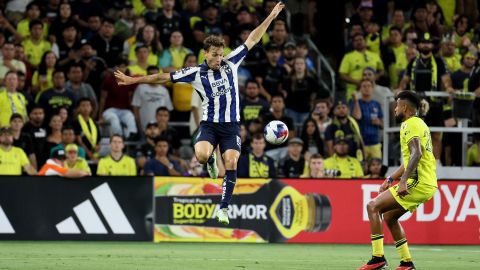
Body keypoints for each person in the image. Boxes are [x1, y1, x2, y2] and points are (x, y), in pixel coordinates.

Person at [115, 1, 286, 225]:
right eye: (214, 55)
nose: (218, 59)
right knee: (203, 156)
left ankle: (223, 208)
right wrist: (133, 80)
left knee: (232, 162)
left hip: (231, 125)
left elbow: (252, 38)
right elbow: (163, 77)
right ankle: (210, 160)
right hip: (209, 124)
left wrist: (271, 16)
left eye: (220, 54)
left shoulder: (231, 62)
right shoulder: (195, 72)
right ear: (205, 54)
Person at [358, 91, 436, 270]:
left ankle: (377, 258)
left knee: (372, 206)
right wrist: (391, 178)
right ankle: (406, 262)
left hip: (418, 182)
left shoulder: (410, 124)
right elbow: (410, 160)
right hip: (426, 183)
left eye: (397, 105)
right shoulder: (419, 124)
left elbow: (417, 153)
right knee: (390, 217)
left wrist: (403, 181)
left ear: (405, 108)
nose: (394, 109)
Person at [351, 79, 384, 161]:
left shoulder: (376, 104)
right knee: (363, 168)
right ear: (360, 89)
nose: (367, 88)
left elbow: (383, 125)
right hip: (361, 143)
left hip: (375, 142)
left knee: (377, 167)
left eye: (369, 86)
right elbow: (357, 117)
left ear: (372, 88)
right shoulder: (355, 103)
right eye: (364, 86)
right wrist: (355, 100)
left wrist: (379, 122)